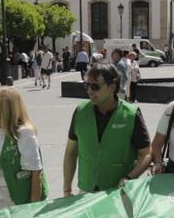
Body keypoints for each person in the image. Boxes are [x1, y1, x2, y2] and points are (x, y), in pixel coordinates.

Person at [62, 62, 152, 195]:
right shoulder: (81, 112)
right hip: (86, 191)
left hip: (119, 192)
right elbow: (70, 152)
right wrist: (67, 189)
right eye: (87, 85)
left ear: (112, 86)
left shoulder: (131, 114)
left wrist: (129, 178)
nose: (89, 91)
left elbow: (146, 153)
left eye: (95, 86)